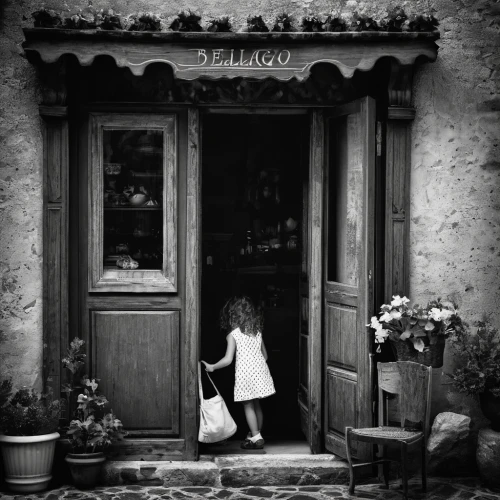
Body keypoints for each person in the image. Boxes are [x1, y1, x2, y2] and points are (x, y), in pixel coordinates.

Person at [201, 296, 276, 449]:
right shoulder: (257, 332)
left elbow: (228, 359)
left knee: (248, 405)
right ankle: (255, 434)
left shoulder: (233, 334)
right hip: (260, 372)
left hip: (245, 374)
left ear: (232, 316)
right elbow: (265, 356)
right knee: (256, 404)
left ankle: (255, 436)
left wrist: (213, 367)